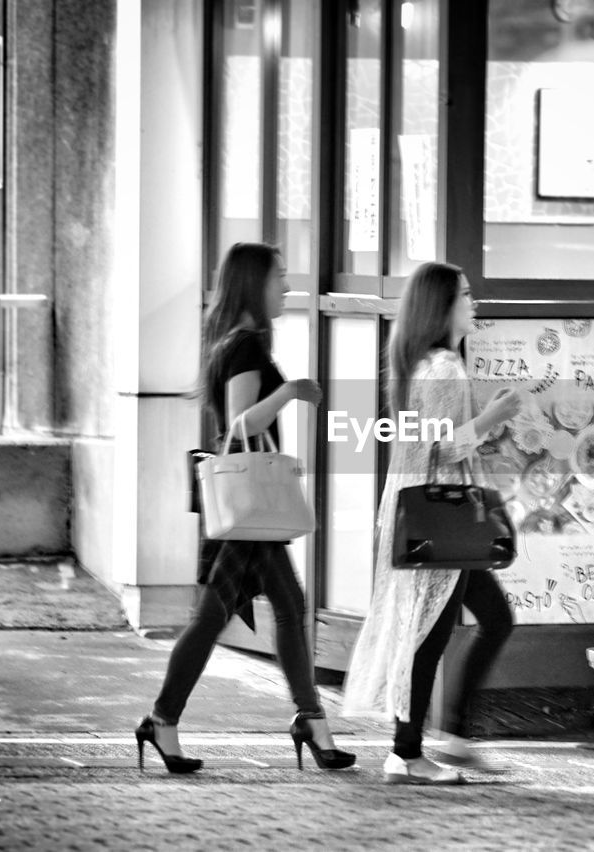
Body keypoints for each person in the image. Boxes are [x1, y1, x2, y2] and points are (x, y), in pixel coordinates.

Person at [136, 242, 354, 775]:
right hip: (244, 506)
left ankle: (311, 722)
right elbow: (241, 425)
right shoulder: (245, 347)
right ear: (253, 284)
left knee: (280, 607)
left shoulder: (235, 344)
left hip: (246, 506)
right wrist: (294, 391)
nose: (286, 286)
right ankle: (164, 719)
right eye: (279, 277)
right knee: (218, 615)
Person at [342, 261, 524, 785]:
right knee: (428, 634)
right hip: (438, 518)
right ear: (443, 305)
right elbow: (444, 447)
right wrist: (496, 414)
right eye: (466, 295)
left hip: (426, 514)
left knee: (474, 621)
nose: (474, 303)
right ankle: (408, 752)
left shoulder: (420, 364)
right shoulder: (443, 368)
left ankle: (447, 739)